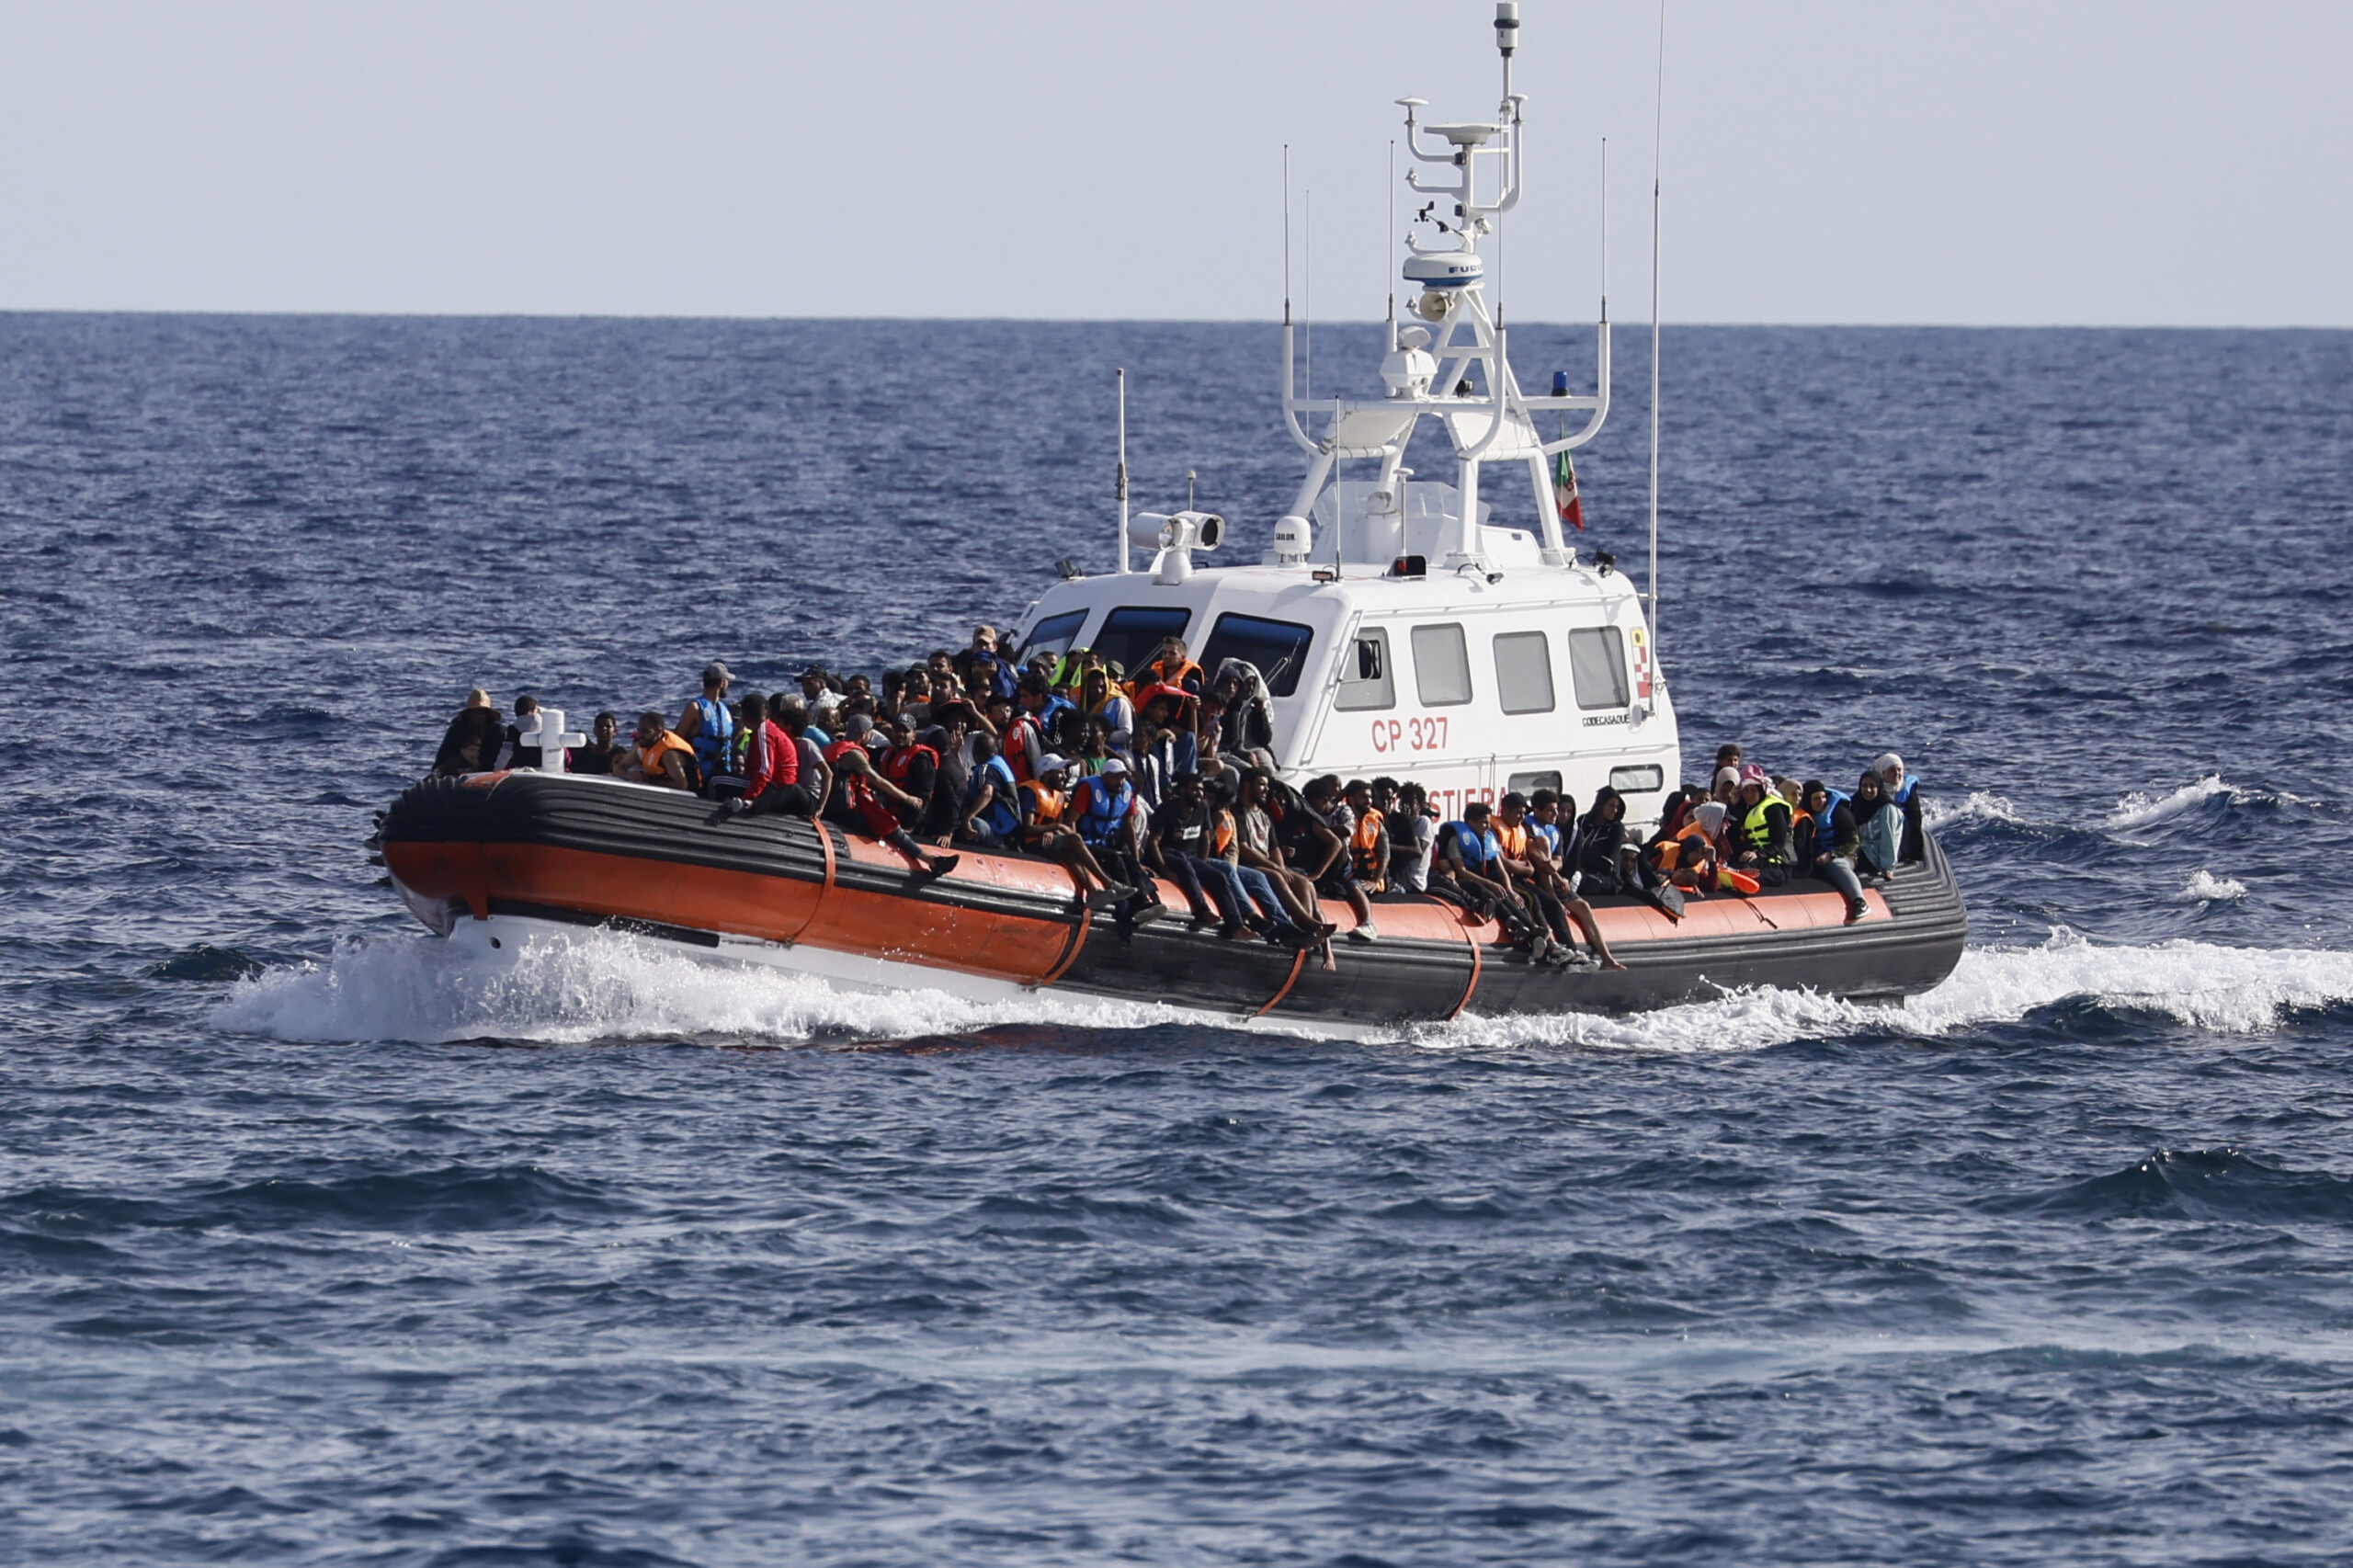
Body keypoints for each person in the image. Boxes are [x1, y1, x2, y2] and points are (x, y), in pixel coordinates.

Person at [1427, 801, 1556, 961]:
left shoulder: (1488, 839)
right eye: (1484, 822)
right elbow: (1462, 871)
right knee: (1488, 891)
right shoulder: (1457, 840)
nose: (1488, 826)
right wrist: (1490, 884)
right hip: (1466, 881)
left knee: (1507, 895)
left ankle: (1534, 930)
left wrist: (1509, 889)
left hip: (1485, 880)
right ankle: (1517, 924)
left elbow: (1501, 870)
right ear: (1471, 822)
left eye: (1489, 822)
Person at [1017, 755, 1131, 910]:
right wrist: (1054, 828)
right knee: (1075, 839)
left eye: (1064, 772)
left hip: (1048, 842)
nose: (1064, 776)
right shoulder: (1031, 791)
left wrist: (1054, 830)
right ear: (1047, 773)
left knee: (1071, 854)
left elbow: (1059, 825)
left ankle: (1092, 891)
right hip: (1030, 844)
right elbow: (1027, 829)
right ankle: (1108, 882)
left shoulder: (1059, 796)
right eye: (1060, 772)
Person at [1068, 757, 1165, 931]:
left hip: (1108, 844)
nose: (1120, 782)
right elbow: (1071, 820)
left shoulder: (1126, 792)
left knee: (1129, 861)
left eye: (1122, 778)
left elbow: (1129, 828)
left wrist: (1136, 859)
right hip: (1087, 842)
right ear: (1104, 777)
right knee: (1115, 861)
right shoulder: (1088, 789)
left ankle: (1146, 901)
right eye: (1115, 777)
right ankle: (1126, 910)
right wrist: (1076, 848)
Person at [1146, 772, 1251, 932]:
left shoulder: (1202, 807)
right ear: (1182, 791)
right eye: (1194, 789)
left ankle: (1236, 925)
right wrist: (1163, 868)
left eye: (1201, 789)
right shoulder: (1167, 809)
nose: (1199, 793)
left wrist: (1203, 863)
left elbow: (1204, 838)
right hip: (1167, 853)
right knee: (1184, 865)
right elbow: (1153, 842)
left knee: (1219, 876)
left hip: (1189, 856)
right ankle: (1204, 911)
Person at [728, 691, 816, 818]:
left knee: (715, 781)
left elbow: (765, 770)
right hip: (779, 786)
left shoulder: (764, 732)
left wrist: (748, 796)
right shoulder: (767, 730)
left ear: (744, 717)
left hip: (776, 787)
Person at [1796, 778, 1869, 923]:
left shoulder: (1838, 812)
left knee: (1836, 865)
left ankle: (1860, 902)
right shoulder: (1802, 815)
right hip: (1815, 859)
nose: (1821, 801)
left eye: (1823, 797)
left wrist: (1831, 854)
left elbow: (1854, 842)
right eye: (1816, 798)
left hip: (1844, 855)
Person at [1731, 765, 1796, 886]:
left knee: (1748, 868)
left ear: (1761, 790)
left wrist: (1758, 854)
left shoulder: (1774, 809)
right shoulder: (1746, 809)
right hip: (1755, 860)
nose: (1749, 794)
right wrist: (1735, 804)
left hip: (1776, 864)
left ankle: (1748, 877)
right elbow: (1733, 834)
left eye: (1753, 790)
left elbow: (1779, 844)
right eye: (1745, 790)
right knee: (1734, 865)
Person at [877, 713, 939, 832]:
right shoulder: (888, 753)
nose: (900, 734)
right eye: (897, 730)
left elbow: (923, 798)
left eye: (905, 731)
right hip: (889, 811)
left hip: (910, 819)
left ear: (914, 735)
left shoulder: (921, 760)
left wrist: (911, 827)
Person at [959, 733, 1021, 850]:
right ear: (995, 751)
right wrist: (957, 753)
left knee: (972, 823)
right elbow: (967, 780)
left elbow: (987, 794)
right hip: (1011, 833)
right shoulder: (999, 765)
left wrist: (968, 816)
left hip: (999, 833)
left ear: (975, 751)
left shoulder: (986, 769)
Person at [676, 663, 733, 790]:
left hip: (723, 774)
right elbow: (677, 742)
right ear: (722, 683)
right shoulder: (695, 708)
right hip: (702, 778)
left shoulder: (724, 710)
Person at [432, 689, 505, 776]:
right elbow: (441, 761)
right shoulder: (456, 731)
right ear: (469, 714)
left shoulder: (498, 732)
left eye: (482, 712)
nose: (479, 716)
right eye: (475, 712)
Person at [1851, 767, 1906, 880]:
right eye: (1864, 786)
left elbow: (1889, 840)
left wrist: (1887, 868)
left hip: (1875, 857)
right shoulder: (1857, 803)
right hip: (1861, 849)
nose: (1868, 790)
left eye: (1872, 786)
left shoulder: (1887, 809)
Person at [1872, 752, 1927, 863]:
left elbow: (1914, 821)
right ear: (1882, 773)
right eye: (1892, 770)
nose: (1897, 773)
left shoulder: (1907, 791)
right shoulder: (1871, 789)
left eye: (1899, 770)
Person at [1385, 780, 1438, 893]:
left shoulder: (1423, 822)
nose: (1406, 806)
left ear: (1420, 805)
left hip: (1415, 881)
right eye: (1403, 802)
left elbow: (1417, 852)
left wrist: (1407, 821)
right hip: (1401, 878)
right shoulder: (1398, 821)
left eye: (1411, 803)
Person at [620, 711, 696, 790]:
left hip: (691, 795)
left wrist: (648, 779)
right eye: (639, 730)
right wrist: (627, 775)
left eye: (645, 731)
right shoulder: (643, 744)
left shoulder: (668, 754)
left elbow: (682, 785)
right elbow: (620, 767)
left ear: (659, 731)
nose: (640, 735)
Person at [570, 710, 622, 777]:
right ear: (594, 730)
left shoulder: (620, 754)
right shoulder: (583, 755)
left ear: (615, 731)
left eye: (608, 726)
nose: (604, 728)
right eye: (600, 726)